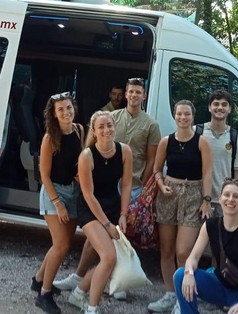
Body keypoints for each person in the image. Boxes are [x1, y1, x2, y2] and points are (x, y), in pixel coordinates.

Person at [55, 78, 160, 298]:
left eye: (138, 92)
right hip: (105, 187)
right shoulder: (112, 117)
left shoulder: (151, 124)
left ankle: (117, 281)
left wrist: (142, 185)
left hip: (132, 186)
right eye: (130, 91)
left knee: (122, 239)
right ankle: (80, 277)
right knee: (99, 241)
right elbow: (94, 143)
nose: (133, 95)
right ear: (126, 94)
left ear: (144, 96)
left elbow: (152, 158)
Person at [148, 100, 213, 313]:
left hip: (194, 194)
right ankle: (170, 293)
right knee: (166, 249)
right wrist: (161, 184)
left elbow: (207, 173)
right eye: (179, 114)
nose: (183, 117)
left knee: (183, 251)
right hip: (169, 193)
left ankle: (183, 298)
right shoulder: (167, 142)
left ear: (193, 117)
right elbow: (157, 169)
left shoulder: (201, 142)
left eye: (187, 114)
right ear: (174, 116)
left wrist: (206, 199)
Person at [66, 111, 133, 314]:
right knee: (109, 257)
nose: (106, 130)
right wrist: (107, 225)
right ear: (94, 131)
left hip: (112, 206)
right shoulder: (86, 156)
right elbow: (88, 194)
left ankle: (78, 293)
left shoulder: (125, 151)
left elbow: (127, 184)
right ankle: (92, 309)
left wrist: (123, 213)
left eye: (109, 125)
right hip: (91, 208)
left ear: (115, 126)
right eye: (101, 127)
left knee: (112, 260)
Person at [174, 178, 238, 314]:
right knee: (180, 275)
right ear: (219, 198)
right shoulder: (210, 225)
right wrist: (189, 273)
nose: (231, 199)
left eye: (236, 196)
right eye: (227, 195)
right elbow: (193, 258)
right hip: (220, 286)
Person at [32, 92, 84, 314]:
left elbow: (79, 160)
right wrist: (58, 203)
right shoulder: (50, 138)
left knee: (61, 244)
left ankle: (38, 280)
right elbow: (43, 174)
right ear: (54, 114)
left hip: (74, 191)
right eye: (61, 109)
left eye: (69, 108)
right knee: (61, 246)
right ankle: (44, 294)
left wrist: (80, 175)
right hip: (55, 192)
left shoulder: (79, 130)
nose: (66, 112)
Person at [198, 89, 238, 216]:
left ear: (230, 109)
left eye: (224, 105)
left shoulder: (237, 138)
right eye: (216, 104)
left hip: (224, 201)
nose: (220, 107)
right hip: (198, 199)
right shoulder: (197, 133)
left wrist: (236, 200)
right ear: (209, 107)